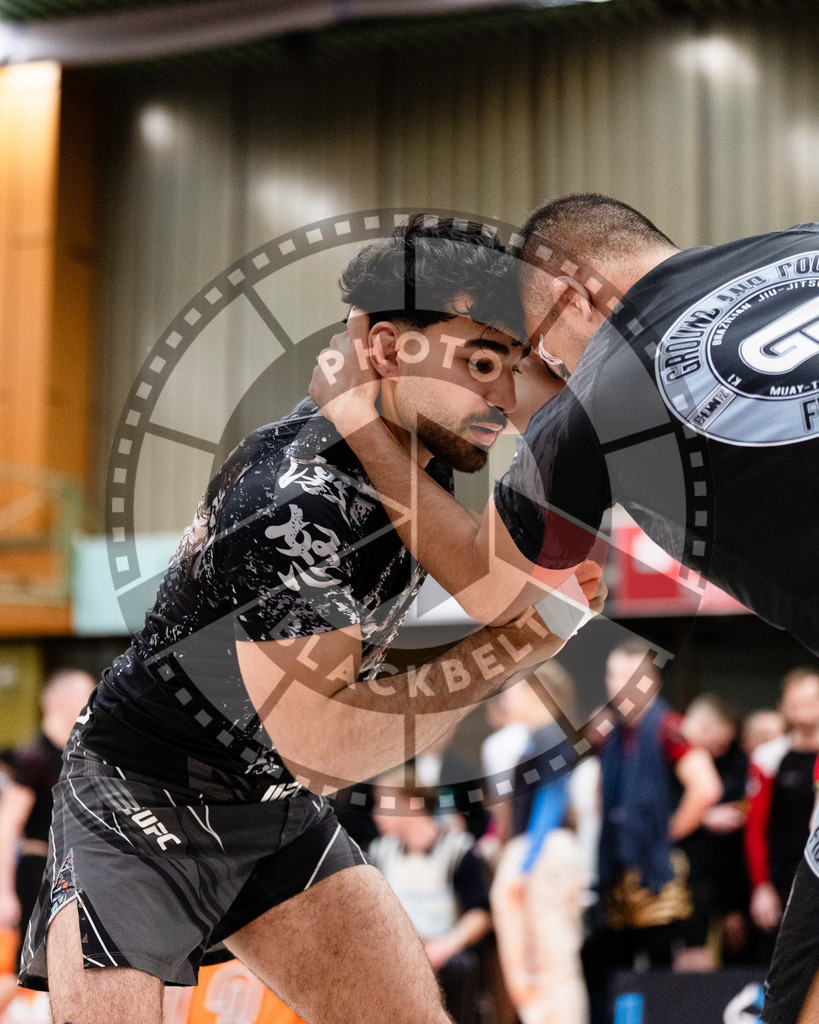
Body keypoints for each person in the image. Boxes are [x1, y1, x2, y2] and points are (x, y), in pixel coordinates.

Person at [20, 215, 605, 1024]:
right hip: (138, 794)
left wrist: (373, 425)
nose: (505, 398)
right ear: (386, 349)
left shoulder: (406, 434)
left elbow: (485, 584)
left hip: (266, 798)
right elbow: (324, 750)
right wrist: (518, 648)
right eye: (481, 364)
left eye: (510, 363)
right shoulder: (292, 502)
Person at [309, 194, 819, 1024]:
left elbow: (491, 588)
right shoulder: (804, 241)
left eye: (541, 346)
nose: (545, 369)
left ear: (574, 290)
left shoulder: (594, 399)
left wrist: (358, 424)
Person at [489, 660, 588, 1024]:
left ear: (534, 691)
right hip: (534, 850)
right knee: (529, 967)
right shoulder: (537, 736)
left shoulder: (551, 734)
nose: (504, 699)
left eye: (510, 690)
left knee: (553, 964)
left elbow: (553, 798)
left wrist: (526, 865)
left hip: (542, 851)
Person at [369, 773, 492, 1024]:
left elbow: (480, 913)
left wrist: (448, 945)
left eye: (384, 804)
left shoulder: (458, 849)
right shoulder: (381, 852)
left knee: (461, 966)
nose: (375, 814)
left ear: (413, 803)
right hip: (397, 949)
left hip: (442, 948)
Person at [0, 670, 95, 959]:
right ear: (65, 702)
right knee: (25, 967)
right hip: (37, 873)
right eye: (89, 697)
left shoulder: (76, 756)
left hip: (68, 875)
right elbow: (8, 826)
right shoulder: (34, 758)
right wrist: (4, 893)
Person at [745, 670, 819, 956]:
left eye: (812, 700)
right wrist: (761, 886)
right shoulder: (768, 757)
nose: (804, 708)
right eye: (796, 701)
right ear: (784, 706)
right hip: (785, 879)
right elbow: (755, 829)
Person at [678, 694, 750, 967]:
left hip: (708, 885)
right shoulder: (667, 752)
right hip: (674, 882)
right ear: (704, 726)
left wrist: (733, 906)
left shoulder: (731, 763)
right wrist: (702, 817)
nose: (721, 749)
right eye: (718, 742)